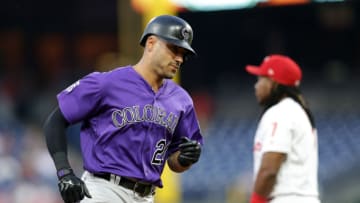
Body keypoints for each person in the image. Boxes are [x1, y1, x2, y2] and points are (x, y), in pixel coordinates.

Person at [43, 15, 203, 203]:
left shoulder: (181, 100)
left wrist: (185, 159)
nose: (179, 59)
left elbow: (174, 163)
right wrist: (64, 172)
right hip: (104, 190)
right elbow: (55, 121)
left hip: (147, 196)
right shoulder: (106, 83)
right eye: (174, 49)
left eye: (184, 54)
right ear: (151, 43)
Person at [245, 54, 320, 203]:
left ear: (274, 82)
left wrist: (256, 201)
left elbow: (269, 170)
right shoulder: (298, 111)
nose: (256, 85)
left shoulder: (281, 112)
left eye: (261, 79)